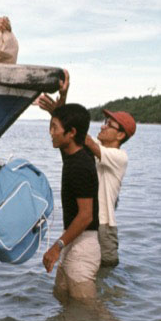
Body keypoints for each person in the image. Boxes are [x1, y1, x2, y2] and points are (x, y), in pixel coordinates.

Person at [36, 71, 135, 267]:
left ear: (121, 135)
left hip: (103, 226)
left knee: (104, 274)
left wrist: (61, 109)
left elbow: (77, 134)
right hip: (87, 225)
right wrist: (61, 106)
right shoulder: (91, 151)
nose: (103, 126)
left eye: (109, 124)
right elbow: (73, 138)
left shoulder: (118, 157)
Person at [42, 103, 100, 301]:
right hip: (72, 241)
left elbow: (86, 216)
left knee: (87, 314)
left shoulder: (80, 166)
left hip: (84, 245)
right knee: (64, 301)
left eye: (55, 127)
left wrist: (57, 246)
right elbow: (69, 129)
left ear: (71, 133)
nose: (51, 132)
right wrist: (57, 109)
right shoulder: (74, 155)